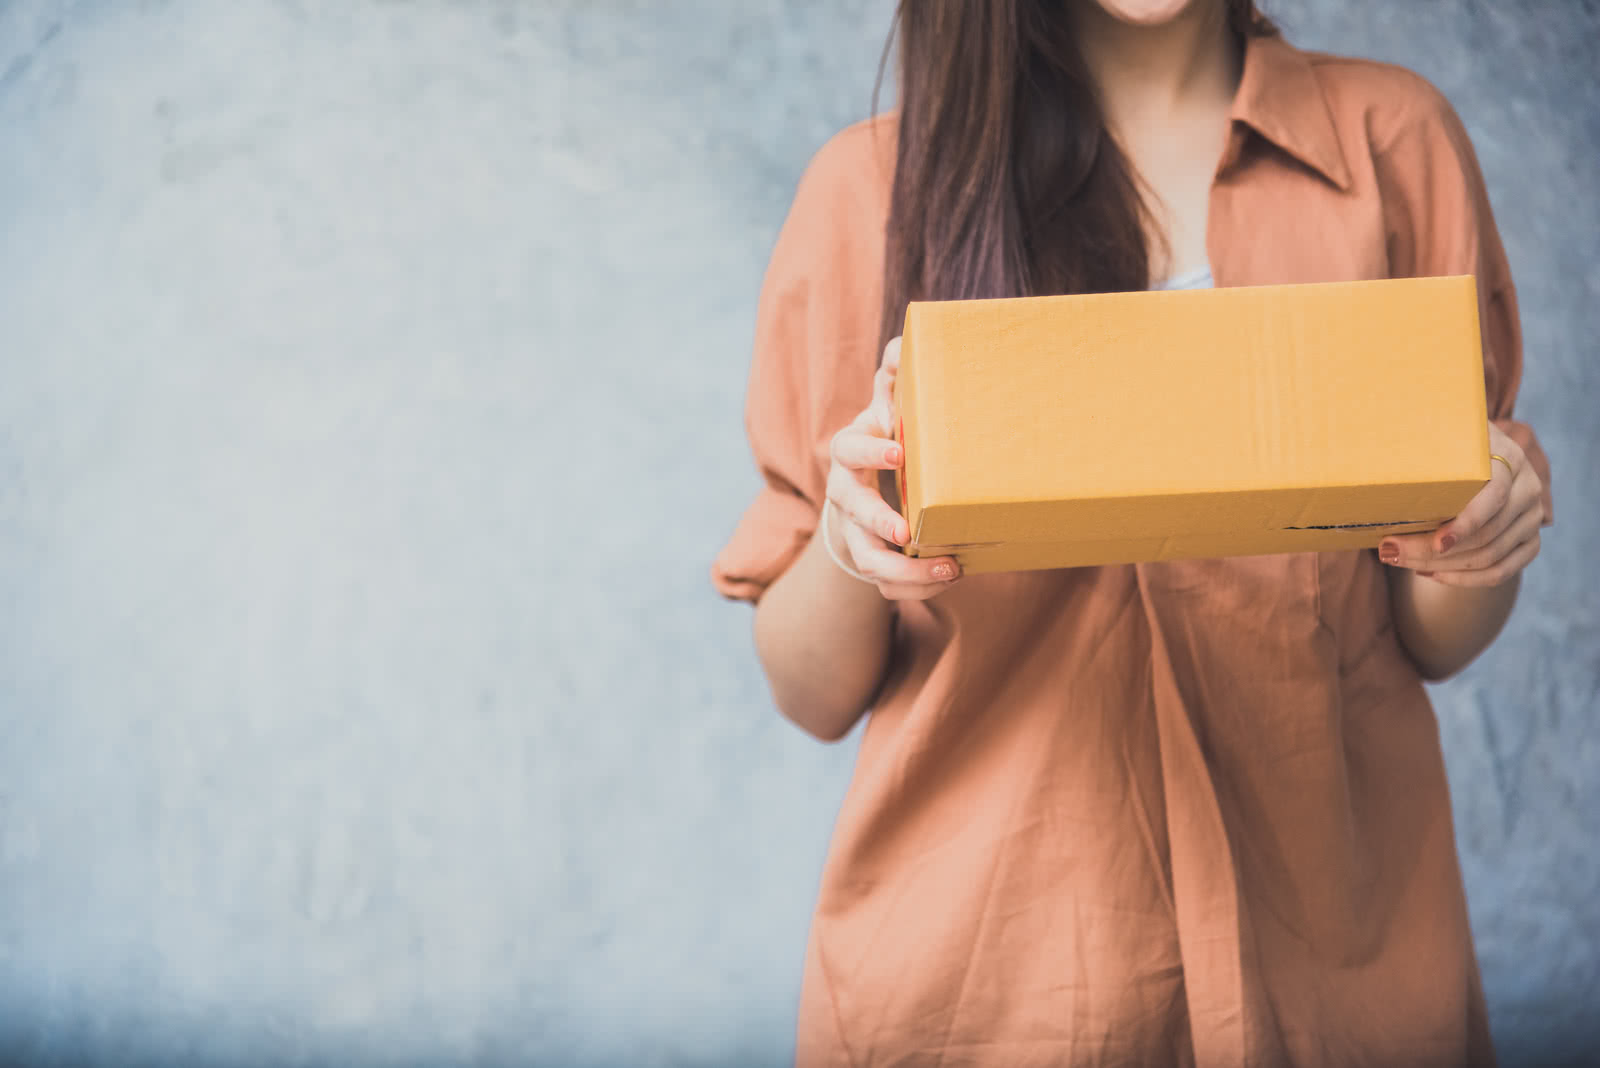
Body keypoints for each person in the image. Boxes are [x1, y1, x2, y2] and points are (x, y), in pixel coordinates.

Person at [711, 0, 1555, 1064]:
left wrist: (1481, 531)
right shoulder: (870, 190)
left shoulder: (1392, 138)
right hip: (989, 982)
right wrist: (845, 537)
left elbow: (1433, 635)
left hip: (1338, 968)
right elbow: (810, 691)